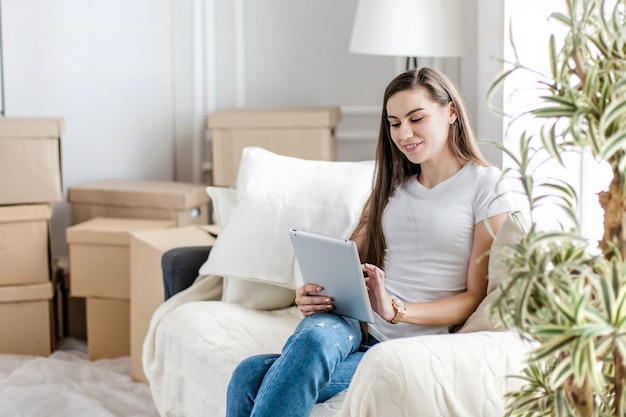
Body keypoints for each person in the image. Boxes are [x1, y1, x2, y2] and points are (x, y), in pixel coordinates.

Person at [225, 67, 515, 417]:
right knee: (271, 360)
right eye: (394, 123)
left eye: (416, 118)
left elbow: (474, 297)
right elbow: (346, 259)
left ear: (451, 112)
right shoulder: (392, 188)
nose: (404, 133)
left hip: (416, 345)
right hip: (358, 328)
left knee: (251, 375)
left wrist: (395, 310)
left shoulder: (486, 185)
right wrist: (312, 291)